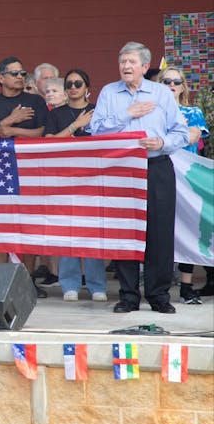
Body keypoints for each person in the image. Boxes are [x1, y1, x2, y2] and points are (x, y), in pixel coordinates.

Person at [88, 42, 190, 314]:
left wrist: (162, 143)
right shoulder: (109, 92)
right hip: (121, 169)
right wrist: (127, 114)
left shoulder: (161, 93)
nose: (126, 66)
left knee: (160, 232)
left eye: (131, 62)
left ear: (145, 67)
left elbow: (181, 133)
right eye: (122, 62)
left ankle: (159, 296)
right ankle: (128, 296)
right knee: (124, 231)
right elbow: (96, 131)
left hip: (156, 166)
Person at [0, 57, 50, 297]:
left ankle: (26, 282)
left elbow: (42, 132)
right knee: (1, 225)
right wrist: (9, 119)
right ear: (1, 77)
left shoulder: (35, 101)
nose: (20, 77)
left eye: (23, 73)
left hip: (30, 170)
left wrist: (11, 130)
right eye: (14, 73)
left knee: (29, 226)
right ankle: (2, 281)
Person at [44, 69, 107, 302]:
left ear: (87, 87)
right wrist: (75, 126)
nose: (72, 87)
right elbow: (48, 142)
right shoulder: (56, 113)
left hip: (94, 178)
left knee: (93, 231)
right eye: (69, 84)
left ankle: (96, 285)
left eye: (77, 83)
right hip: (64, 179)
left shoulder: (99, 112)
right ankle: (69, 284)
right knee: (67, 230)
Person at [157, 65, 212, 304]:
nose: (171, 85)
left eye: (176, 82)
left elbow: (191, 137)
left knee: (188, 228)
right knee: (159, 230)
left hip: (187, 178)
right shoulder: (151, 112)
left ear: (183, 87)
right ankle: (156, 285)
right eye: (166, 81)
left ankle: (187, 286)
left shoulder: (193, 111)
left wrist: (162, 139)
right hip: (158, 175)